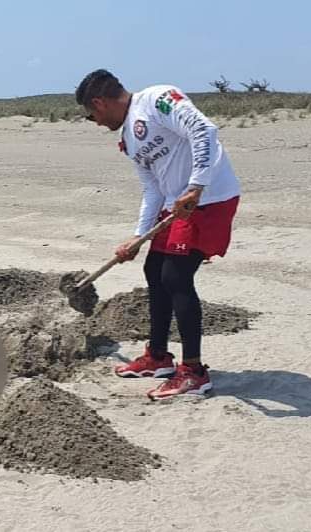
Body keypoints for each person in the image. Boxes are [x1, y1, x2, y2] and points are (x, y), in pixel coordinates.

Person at [76, 69, 241, 399]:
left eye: (91, 114)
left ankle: (193, 372)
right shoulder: (129, 138)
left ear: (99, 102)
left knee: (176, 277)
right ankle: (158, 357)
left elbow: (203, 130)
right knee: (154, 271)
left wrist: (196, 186)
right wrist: (138, 237)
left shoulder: (157, 99)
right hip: (176, 203)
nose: (94, 122)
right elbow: (152, 188)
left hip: (209, 198)